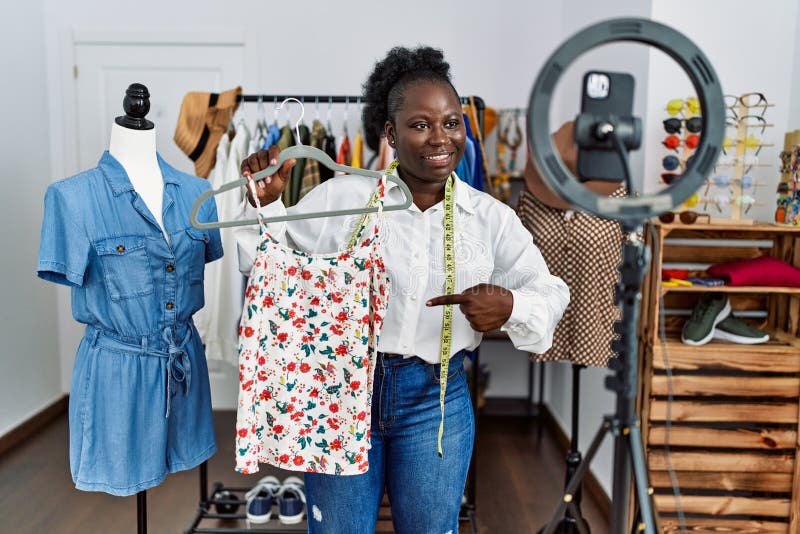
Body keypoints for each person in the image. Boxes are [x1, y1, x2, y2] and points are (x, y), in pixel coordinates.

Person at [236, 45, 569, 533]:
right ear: (390, 133)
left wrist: (511, 305)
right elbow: (267, 263)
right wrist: (266, 208)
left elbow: (552, 292)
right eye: (420, 124)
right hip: (343, 392)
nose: (441, 138)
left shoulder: (489, 218)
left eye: (452, 123)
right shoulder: (343, 197)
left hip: (436, 400)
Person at [518, 121, 624, 367]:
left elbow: (642, 260)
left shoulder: (620, 202)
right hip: (544, 320)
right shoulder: (532, 202)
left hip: (594, 322)